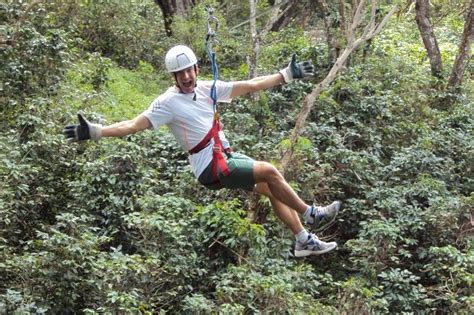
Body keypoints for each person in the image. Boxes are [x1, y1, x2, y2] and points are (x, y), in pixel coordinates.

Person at [63, 45, 341, 257]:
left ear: (196, 69)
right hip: (210, 167)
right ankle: (310, 213)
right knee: (269, 170)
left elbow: (251, 85)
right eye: (179, 73)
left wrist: (286, 75)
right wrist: (96, 131)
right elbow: (132, 125)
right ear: (173, 76)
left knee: (271, 186)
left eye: (189, 70)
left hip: (226, 157)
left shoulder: (209, 89)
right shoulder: (166, 103)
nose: (185, 77)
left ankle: (303, 240)